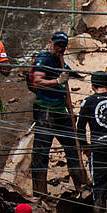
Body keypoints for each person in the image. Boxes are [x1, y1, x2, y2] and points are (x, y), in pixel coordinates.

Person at [29, 30, 90, 197]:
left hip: (61, 111)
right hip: (46, 112)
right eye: (57, 45)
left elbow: (71, 74)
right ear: (51, 43)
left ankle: (82, 187)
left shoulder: (60, 61)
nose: (60, 49)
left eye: (63, 46)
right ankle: (39, 193)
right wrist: (57, 81)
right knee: (41, 152)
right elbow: (37, 81)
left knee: (73, 147)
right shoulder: (44, 59)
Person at [77, 71, 107, 213]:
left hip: (99, 148)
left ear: (92, 86)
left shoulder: (88, 102)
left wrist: (85, 147)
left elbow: (80, 128)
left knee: (99, 182)